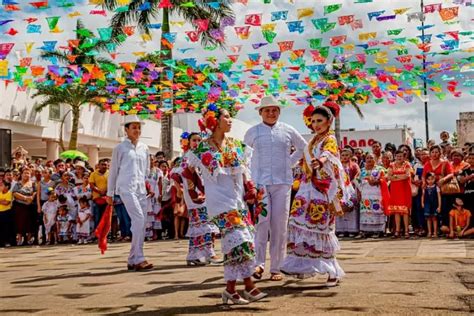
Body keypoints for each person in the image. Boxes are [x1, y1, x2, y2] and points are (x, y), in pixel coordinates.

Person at [189, 104, 267, 304]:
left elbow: (244, 170)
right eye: (227, 117)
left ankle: (232, 290)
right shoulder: (202, 147)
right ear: (215, 121)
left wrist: (250, 188)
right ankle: (249, 284)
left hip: (236, 200)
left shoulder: (235, 144)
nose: (230, 120)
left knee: (237, 243)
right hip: (219, 202)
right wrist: (195, 190)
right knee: (240, 238)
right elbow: (187, 170)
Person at [280, 101, 350, 286]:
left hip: (322, 189)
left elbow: (329, 153)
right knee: (299, 223)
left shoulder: (330, 139)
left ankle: (332, 271)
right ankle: (302, 266)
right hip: (307, 187)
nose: (316, 124)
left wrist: (320, 160)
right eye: (313, 121)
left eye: (319, 120)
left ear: (329, 121)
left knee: (321, 229)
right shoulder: (312, 140)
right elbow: (301, 160)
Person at [243, 95, 307, 282]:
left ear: (279, 112)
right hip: (260, 184)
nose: (271, 113)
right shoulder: (252, 132)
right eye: (267, 110)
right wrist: (249, 181)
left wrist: (290, 163)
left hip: (283, 184)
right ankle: (258, 263)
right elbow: (244, 157)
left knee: (279, 226)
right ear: (260, 112)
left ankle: (277, 267)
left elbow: (303, 147)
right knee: (262, 224)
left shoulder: (288, 130)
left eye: (274, 110)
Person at [107, 115, 153, 272]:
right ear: (126, 129)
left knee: (141, 223)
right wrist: (110, 192)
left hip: (141, 189)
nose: (137, 130)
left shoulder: (144, 148)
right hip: (126, 188)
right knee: (139, 219)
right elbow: (113, 170)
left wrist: (148, 185)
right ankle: (139, 258)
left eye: (139, 127)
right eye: (134, 127)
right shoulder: (120, 148)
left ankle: (133, 258)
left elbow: (146, 170)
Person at [179, 132, 220, 266]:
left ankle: (194, 255)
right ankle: (208, 253)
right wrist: (193, 192)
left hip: (204, 193)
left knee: (202, 224)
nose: (196, 143)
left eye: (198, 140)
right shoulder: (187, 156)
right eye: (194, 140)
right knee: (202, 224)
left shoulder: (201, 155)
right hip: (195, 195)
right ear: (188, 142)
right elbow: (186, 175)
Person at [356, 153, 389, 238]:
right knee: (365, 212)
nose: (369, 159)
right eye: (367, 158)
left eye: (371, 158)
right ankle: (365, 231)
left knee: (377, 210)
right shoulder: (362, 170)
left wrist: (377, 182)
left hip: (377, 194)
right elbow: (357, 182)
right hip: (365, 195)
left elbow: (387, 179)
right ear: (365, 160)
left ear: (375, 159)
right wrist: (359, 193)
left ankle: (379, 231)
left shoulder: (380, 169)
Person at [387, 150, 412, 238]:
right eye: (397, 156)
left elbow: (407, 175)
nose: (399, 158)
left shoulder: (407, 164)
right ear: (395, 156)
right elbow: (388, 176)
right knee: (396, 211)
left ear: (404, 157)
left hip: (404, 190)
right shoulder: (391, 165)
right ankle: (397, 230)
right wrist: (400, 177)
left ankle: (406, 230)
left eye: (401, 156)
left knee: (405, 211)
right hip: (395, 190)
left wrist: (395, 177)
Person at [336, 148, 360, 238]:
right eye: (343, 155)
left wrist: (352, 184)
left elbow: (358, 176)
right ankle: (341, 229)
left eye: (347, 155)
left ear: (350, 156)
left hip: (351, 190)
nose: (345, 157)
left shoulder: (354, 165)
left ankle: (351, 230)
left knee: (350, 207)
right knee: (340, 208)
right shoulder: (337, 165)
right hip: (340, 190)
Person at [12, 167, 37, 245]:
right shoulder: (18, 184)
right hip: (19, 205)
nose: (26, 175)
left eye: (28, 173)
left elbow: (35, 192)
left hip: (30, 205)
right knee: (19, 222)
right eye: (25, 173)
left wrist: (31, 198)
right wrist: (25, 198)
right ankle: (19, 239)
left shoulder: (33, 183)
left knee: (30, 222)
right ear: (21, 175)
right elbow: (14, 193)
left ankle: (29, 238)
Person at [89, 159, 109, 230]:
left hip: (107, 199)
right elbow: (92, 185)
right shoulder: (93, 174)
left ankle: (106, 234)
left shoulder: (109, 173)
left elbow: (111, 184)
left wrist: (105, 191)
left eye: (105, 165)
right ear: (99, 165)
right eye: (102, 164)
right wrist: (100, 191)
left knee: (106, 217)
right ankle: (97, 234)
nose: (104, 166)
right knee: (97, 217)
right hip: (97, 199)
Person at [421, 172, 441, 238]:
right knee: (428, 218)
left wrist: (439, 206)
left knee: (434, 218)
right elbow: (423, 195)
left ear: (435, 179)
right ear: (426, 180)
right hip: (427, 204)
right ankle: (429, 232)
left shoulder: (436, 187)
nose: (430, 181)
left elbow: (439, 197)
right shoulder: (425, 187)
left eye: (432, 179)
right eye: (428, 179)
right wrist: (422, 203)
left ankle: (435, 232)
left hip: (434, 204)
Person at [0, 181, 14, 247]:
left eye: (2, 185)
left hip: (6, 212)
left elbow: (6, 203)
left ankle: (7, 241)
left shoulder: (9, 193)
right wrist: (2, 201)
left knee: (7, 228)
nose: (0, 187)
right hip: (0, 212)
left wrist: (2, 201)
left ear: (7, 187)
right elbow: (4, 201)